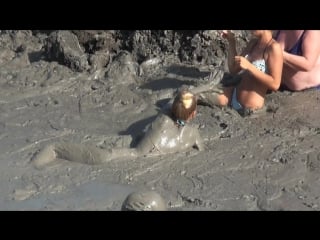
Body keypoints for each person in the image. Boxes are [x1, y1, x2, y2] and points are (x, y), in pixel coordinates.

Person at [32, 90, 204, 169]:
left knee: (106, 156)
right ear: (194, 114)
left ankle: (55, 150)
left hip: (146, 148)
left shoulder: (161, 123)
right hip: (164, 148)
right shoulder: (193, 134)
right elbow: (200, 147)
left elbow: (138, 152)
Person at [196, 30, 283, 116]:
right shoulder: (253, 43)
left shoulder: (274, 48)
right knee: (192, 94)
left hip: (250, 109)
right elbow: (233, 69)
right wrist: (231, 41)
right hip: (232, 95)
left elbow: (275, 84)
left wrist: (250, 67)